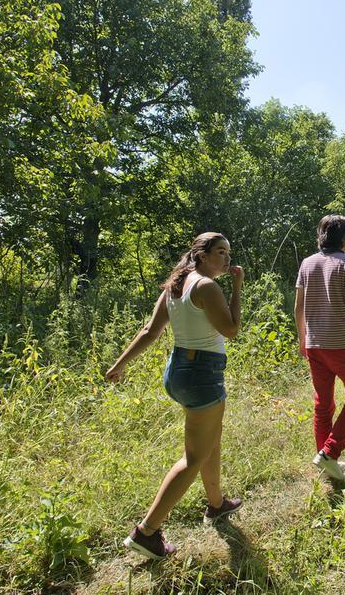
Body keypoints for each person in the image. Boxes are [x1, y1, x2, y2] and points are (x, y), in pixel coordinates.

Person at [106, 232, 244, 560]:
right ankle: (146, 532)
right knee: (193, 457)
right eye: (220, 252)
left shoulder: (177, 285)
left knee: (210, 438)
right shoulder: (206, 286)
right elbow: (232, 329)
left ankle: (216, 503)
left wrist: (119, 365)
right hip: (202, 374)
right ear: (202, 255)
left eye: (228, 253)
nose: (226, 259)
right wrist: (237, 289)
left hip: (179, 369)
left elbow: (150, 332)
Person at [294, 215, 345, 486]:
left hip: (314, 344)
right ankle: (329, 453)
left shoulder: (307, 263)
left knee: (323, 403)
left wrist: (302, 339)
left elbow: (299, 308)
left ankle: (324, 458)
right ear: (343, 238)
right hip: (341, 343)